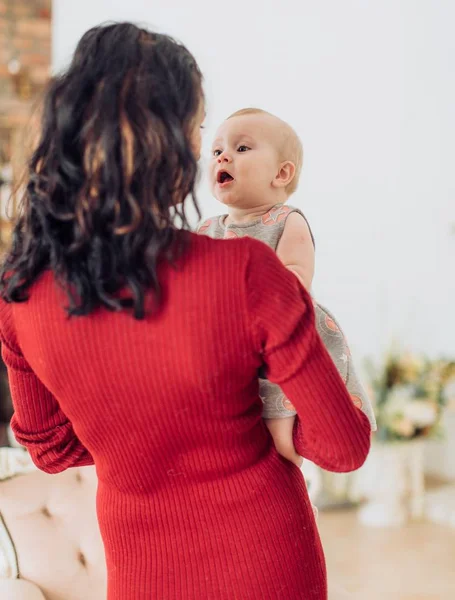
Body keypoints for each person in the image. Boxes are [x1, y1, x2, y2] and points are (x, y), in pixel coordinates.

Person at [0, 23, 371, 600]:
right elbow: (345, 447)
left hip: (140, 570)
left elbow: (47, 449)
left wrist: (134, 442)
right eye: (199, 129)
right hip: (266, 562)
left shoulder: (19, 292)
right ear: (167, 142)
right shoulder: (247, 272)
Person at [199, 108, 376, 480]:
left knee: (277, 414)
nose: (223, 156)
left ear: (281, 174)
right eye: (217, 152)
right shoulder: (207, 229)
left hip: (281, 330)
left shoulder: (286, 219)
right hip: (229, 336)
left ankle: (285, 451)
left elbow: (296, 276)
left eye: (242, 148)